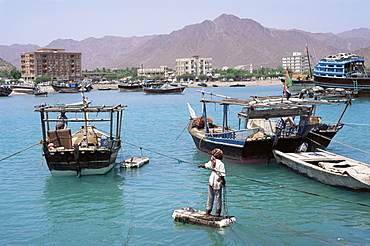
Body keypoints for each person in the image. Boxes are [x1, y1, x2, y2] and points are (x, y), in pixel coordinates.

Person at [198, 148, 226, 217]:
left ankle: (208, 212)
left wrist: (200, 165)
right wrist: (223, 182)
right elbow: (222, 175)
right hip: (217, 181)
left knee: (210, 197)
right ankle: (217, 214)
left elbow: (206, 165)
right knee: (218, 198)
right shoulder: (221, 164)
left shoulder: (212, 161)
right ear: (220, 156)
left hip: (211, 180)